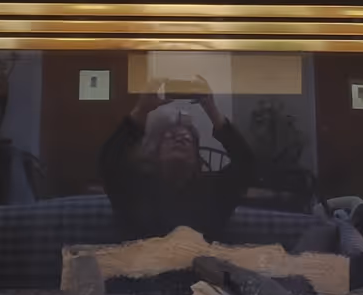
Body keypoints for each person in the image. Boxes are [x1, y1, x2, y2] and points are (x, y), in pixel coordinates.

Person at [98, 83, 256, 241]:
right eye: (171, 137)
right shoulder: (136, 187)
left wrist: (212, 111)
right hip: (144, 256)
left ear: (197, 157)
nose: (179, 140)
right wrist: (141, 110)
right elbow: (110, 161)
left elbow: (246, 163)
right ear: (156, 154)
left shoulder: (215, 189)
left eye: (186, 139)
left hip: (201, 257)